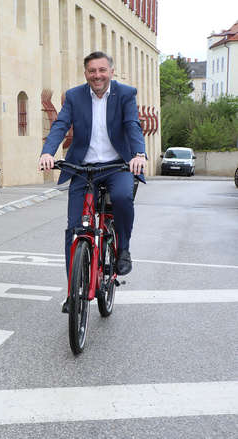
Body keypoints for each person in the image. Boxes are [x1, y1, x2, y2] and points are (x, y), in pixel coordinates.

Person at [38, 51, 146, 312]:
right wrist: (48, 152)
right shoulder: (75, 96)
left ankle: (123, 249)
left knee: (121, 198)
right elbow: (60, 125)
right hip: (82, 168)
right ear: (85, 73)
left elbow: (132, 125)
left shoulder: (125, 93)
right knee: (74, 228)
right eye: (91, 71)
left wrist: (139, 154)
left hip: (116, 165)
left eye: (102, 70)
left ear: (111, 71)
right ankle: (73, 290)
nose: (97, 75)